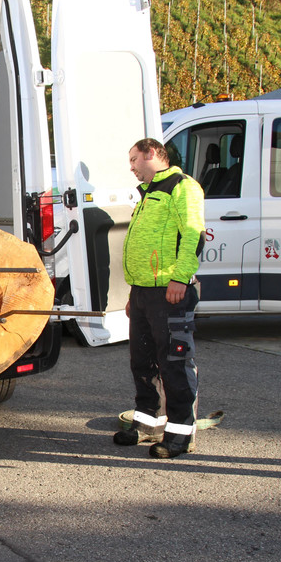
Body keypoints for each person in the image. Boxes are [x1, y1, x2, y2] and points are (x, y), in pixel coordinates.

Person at [113, 138, 205, 459]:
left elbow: (193, 233)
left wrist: (180, 278)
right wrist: (134, 295)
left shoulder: (182, 186)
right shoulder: (148, 193)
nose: (132, 167)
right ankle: (147, 424)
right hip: (143, 293)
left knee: (174, 364)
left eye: (134, 159)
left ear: (151, 153)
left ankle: (180, 436)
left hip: (170, 291)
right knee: (142, 361)